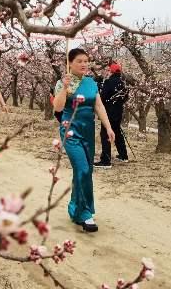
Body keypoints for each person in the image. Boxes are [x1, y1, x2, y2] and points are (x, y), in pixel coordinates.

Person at [53, 48, 115, 232]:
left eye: (86, 61)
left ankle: (75, 207)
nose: (84, 64)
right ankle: (85, 214)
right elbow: (58, 107)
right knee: (82, 168)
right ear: (70, 63)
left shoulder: (91, 83)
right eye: (79, 61)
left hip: (88, 130)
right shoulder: (63, 82)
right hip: (70, 129)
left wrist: (108, 127)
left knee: (86, 171)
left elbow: (98, 105)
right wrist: (64, 87)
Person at [95, 62, 129, 168]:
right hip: (118, 112)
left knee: (105, 134)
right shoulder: (122, 83)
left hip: (108, 112)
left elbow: (102, 97)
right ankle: (123, 156)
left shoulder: (109, 82)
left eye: (109, 70)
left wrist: (100, 86)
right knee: (117, 133)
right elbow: (125, 98)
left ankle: (106, 160)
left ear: (111, 71)